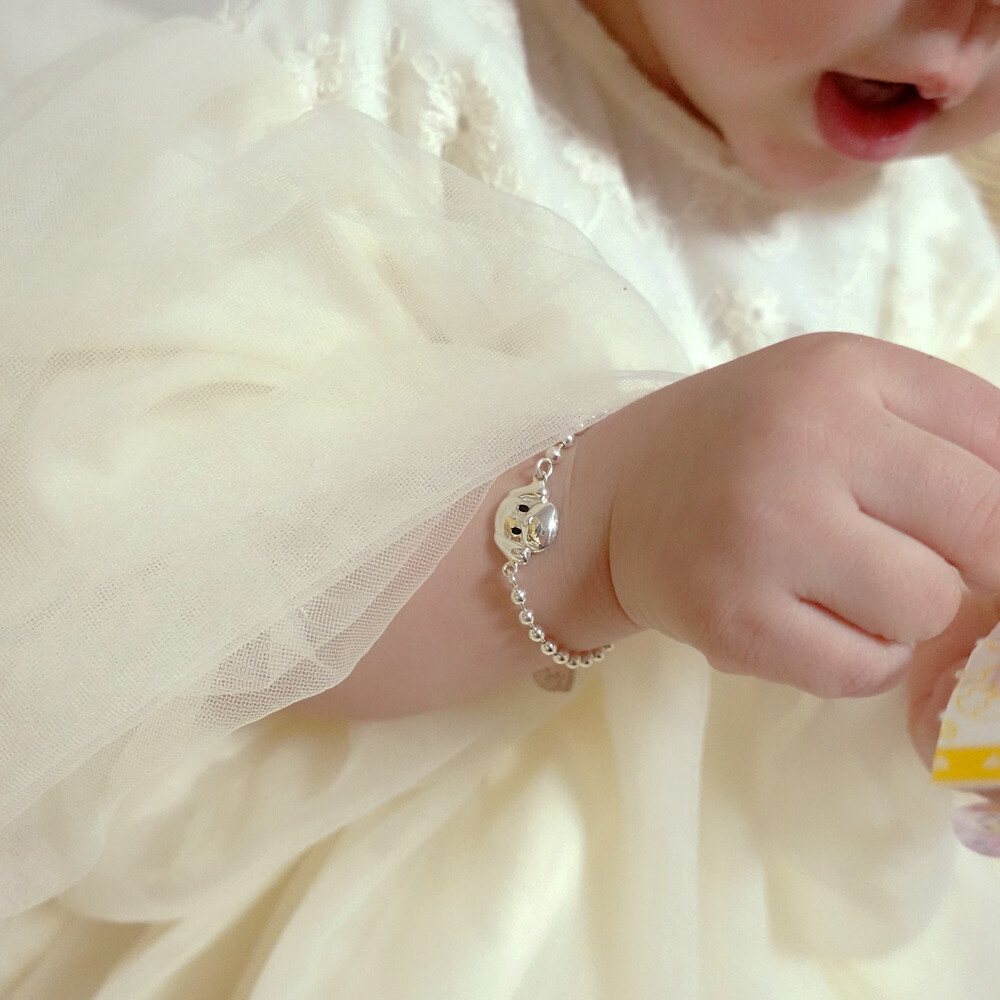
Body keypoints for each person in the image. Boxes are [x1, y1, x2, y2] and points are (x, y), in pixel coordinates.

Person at [2, 0, 1000, 996]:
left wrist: (955, 685)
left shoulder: (942, 255)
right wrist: (604, 525)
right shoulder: (376, 63)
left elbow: (879, 727)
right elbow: (160, 595)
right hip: (376, 917)